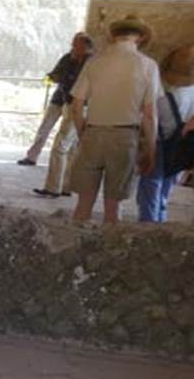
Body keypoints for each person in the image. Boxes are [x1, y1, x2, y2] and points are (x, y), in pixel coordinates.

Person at [70, 15, 163, 225]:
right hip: (125, 136)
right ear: (139, 38)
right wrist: (151, 148)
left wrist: (82, 132)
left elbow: (77, 106)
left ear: (114, 36)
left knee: (84, 202)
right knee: (114, 205)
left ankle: (75, 246)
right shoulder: (148, 66)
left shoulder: (95, 63)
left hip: (93, 133)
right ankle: (108, 249)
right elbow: (150, 114)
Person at [31, 33, 95, 197]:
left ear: (86, 46)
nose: (72, 47)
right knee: (71, 148)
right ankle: (66, 186)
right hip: (66, 102)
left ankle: (53, 188)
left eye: (76, 44)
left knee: (60, 146)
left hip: (80, 106)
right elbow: (58, 74)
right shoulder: (69, 58)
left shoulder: (92, 62)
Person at [136, 45, 194, 222]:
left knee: (150, 187)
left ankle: (148, 226)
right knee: (165, 190)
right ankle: (160, 221)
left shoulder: (159, 91)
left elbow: (149, 119)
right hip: (182, 145)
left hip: (159, 142)